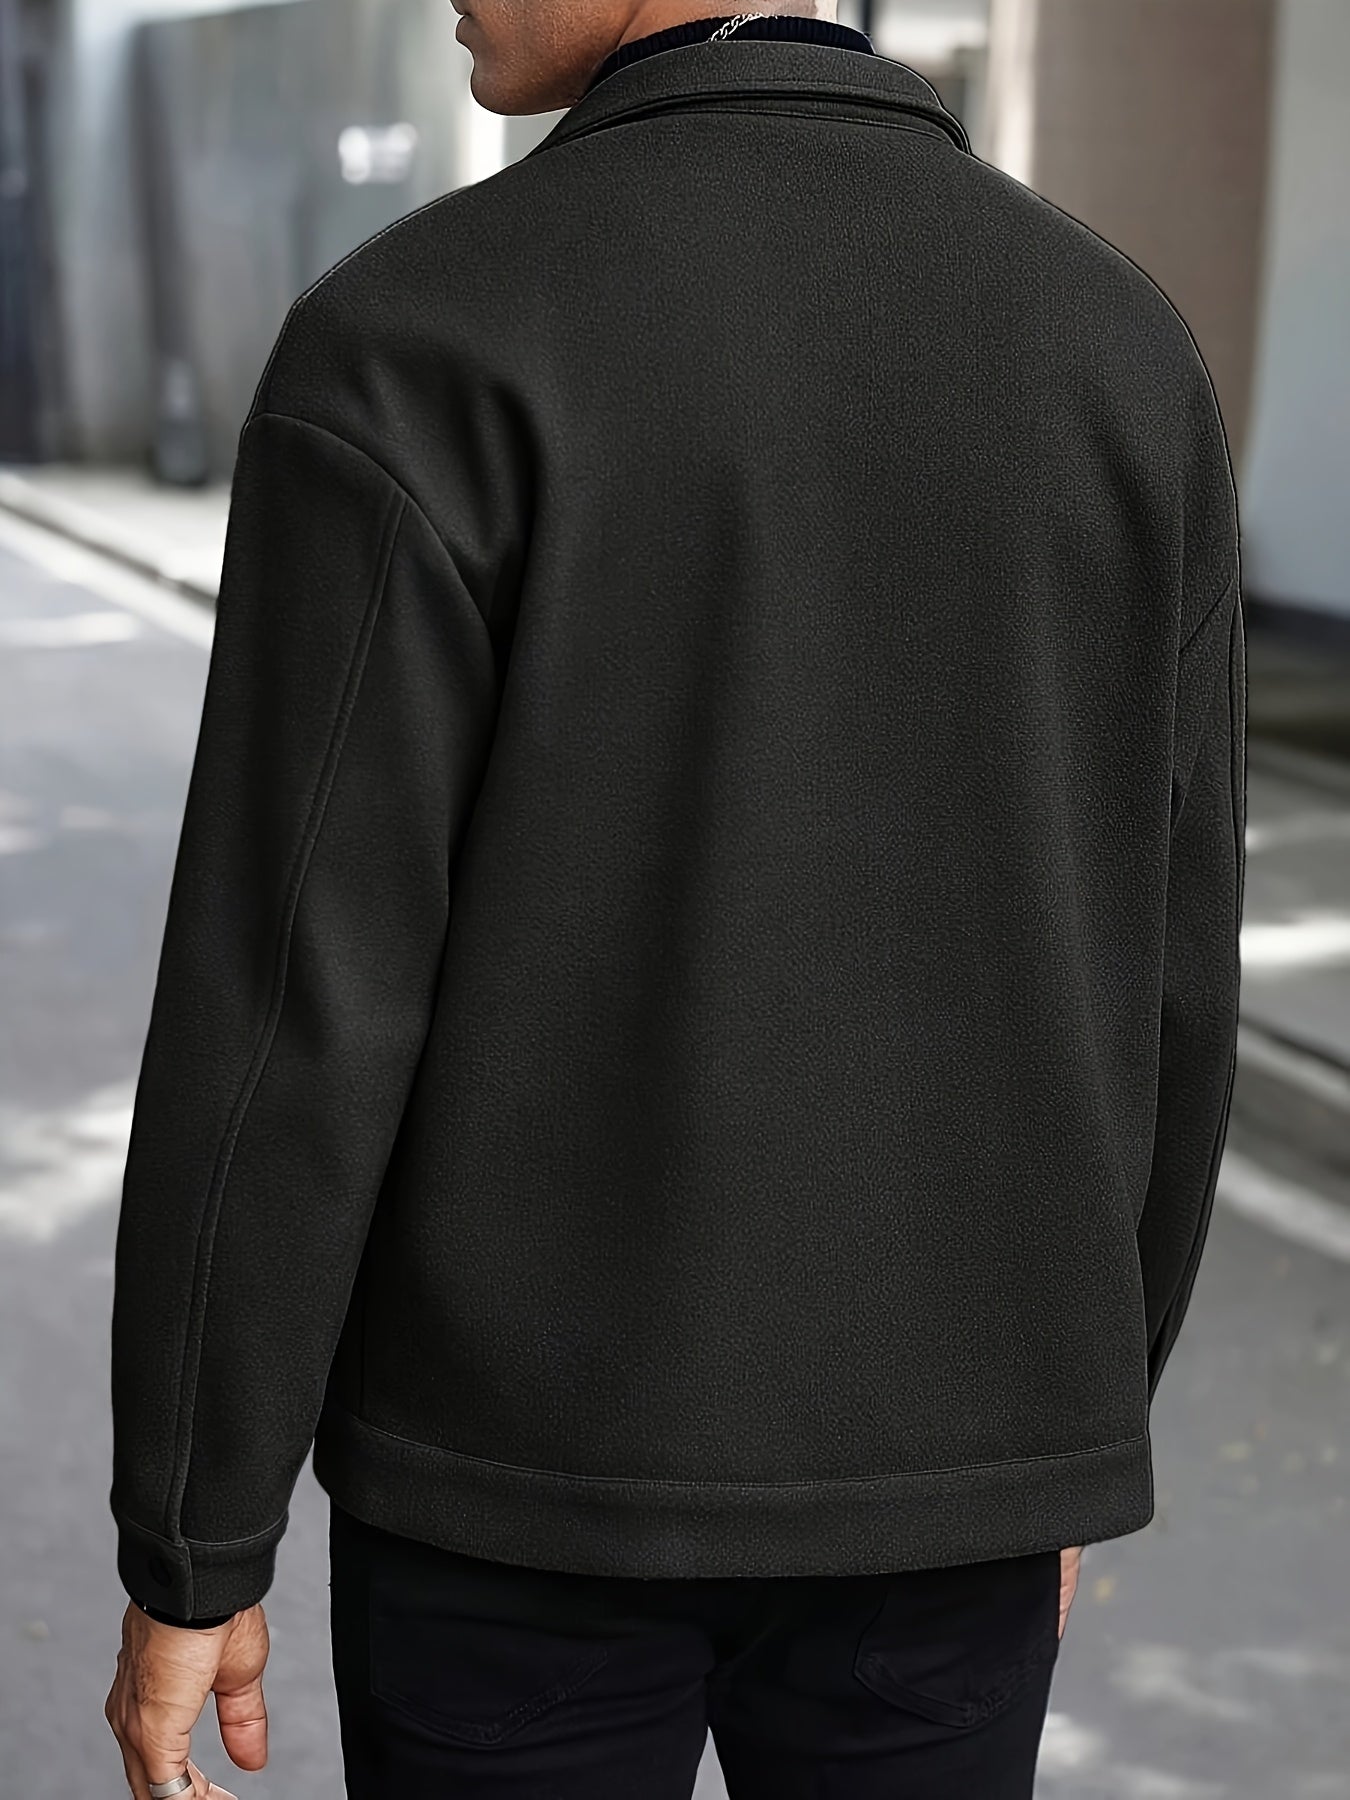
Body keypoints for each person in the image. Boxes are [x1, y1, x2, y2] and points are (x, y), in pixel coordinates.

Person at [103, 2, 1246, 1796]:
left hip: (512, 1496)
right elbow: (1173, 973)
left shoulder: (422, 335)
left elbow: (293, 1003)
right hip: (951, 1493)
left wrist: (198, 1528)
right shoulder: (1114, 344)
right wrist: (1065, 1434)